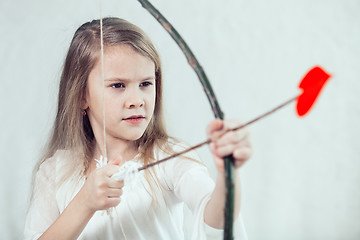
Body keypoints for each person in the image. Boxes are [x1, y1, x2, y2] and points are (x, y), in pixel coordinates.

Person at [24, 17, 252, 240]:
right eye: (118, 85)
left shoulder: (169, 156)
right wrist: (84, 203)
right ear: (82, 95)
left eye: (145, 84)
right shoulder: (56, 171)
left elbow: (217, 218)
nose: (137, 100)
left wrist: (227, 173)